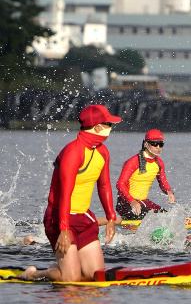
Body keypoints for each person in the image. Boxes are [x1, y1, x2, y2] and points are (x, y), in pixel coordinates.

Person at [19, 105, 121, 282]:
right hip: (59, 218)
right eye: (108, 124)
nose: (111, 128)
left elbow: (104, 186)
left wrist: (111, 218)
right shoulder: (73, 152)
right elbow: (65, 194)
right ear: (97, 127)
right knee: (71, 281)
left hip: (84, 218)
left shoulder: (102, 151)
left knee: (93, 276)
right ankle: (35, 273)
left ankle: (61, 267)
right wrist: (64, 230)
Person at [116, 129, 175, 221]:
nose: (158, 147)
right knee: (148, 216)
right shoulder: (133, 162)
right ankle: (115, 222)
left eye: (161, 144)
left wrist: (169, 192)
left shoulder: (159, 163)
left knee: (165, 217)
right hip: (126, 203)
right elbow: (120, 184)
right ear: (146, 144)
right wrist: (132, 201)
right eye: (155, 144)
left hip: (143, 202)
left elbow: (162, 181)